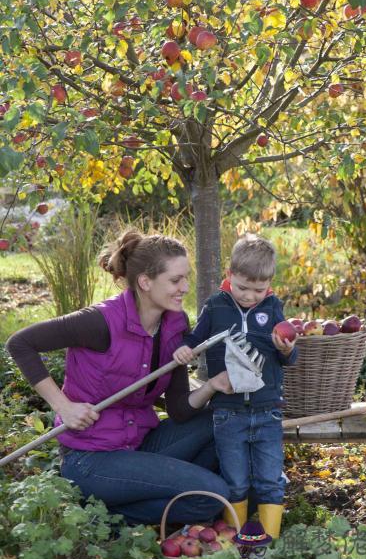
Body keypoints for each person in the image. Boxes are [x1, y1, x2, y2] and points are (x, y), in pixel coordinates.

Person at [5, 228, 233, 526]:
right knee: (213, 494)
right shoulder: (100, 322)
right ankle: (105, 516)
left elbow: (178, 409)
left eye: (186, 277)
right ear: (145, 282)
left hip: (139, 444)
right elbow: (20, 344)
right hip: (92, 459)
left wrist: (213, 386)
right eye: (176, 280)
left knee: (221, 419)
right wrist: (64, 406)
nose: (185, 287)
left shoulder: (175, 324)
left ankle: (161, 495)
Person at [173, 234, 298, 538]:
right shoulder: (216, 306)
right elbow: (195, 339)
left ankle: (270, 541)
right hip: (228, 411)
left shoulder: (272, 306)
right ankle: (237, 537)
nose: (250, 297)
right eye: (243, 287)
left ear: (269, 285)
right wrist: (185, 349)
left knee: (270, 479)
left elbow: (289, 357)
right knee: (236, 480)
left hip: (267, 410)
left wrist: (285, 349)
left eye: (259, 290)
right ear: (229, 276)